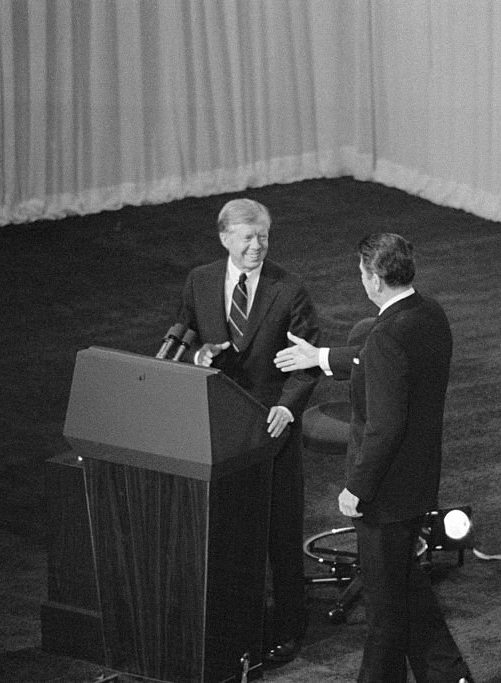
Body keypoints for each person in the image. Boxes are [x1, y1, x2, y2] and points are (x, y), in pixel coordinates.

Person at [275, 233, 474, 683]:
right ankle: (449, 675)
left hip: (382, 495)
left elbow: (385, 427)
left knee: (385, 616)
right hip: (417, 482)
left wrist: (355, 489)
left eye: (362, 273)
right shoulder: (429, 313)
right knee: (408, 587)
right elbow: (378, 359)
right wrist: (322, 356)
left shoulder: (385, 336)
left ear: (375, 280)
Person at [176, 198, 320, 664]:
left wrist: (287, 408)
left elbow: (308, 360)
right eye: (247, 237)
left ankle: (289, 626)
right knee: (229, 528)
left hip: (272, 426)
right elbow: (187, 333)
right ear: (225, 238)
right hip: (219, 425)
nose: (257, 246)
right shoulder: (199, 280)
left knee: (279, 530)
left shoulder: (289, 288)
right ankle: (238, 623)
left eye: (263, 237)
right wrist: (197, 356)